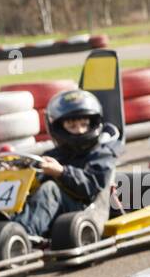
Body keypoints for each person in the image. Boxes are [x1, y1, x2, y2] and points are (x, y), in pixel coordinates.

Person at [12, 88, 123, 239]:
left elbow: (90, 186)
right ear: (58, 127)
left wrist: (62, 172)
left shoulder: (102, 154)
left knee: (50, 190)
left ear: (94, 124)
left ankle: (22, 235)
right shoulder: (55, 155)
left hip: (88, 211)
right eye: (72, 126)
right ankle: (3, 226)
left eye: (84, 124)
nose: (79, 130)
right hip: (62, 212)